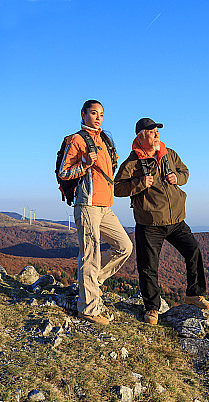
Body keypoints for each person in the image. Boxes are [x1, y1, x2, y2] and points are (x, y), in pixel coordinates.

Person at [114, 117, 209, 325]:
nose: (157, 133)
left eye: (157, 130)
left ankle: (194, 294)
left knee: (193, 251)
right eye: (151, 131)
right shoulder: (132, 162)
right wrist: (139, 183)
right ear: (140, 136)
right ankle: (151, 308)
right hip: (149, 223)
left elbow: (185, 172)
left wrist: (178, 177)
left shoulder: (170, 154)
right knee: (148, 267)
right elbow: (117, 188)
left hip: (176, 219)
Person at [57, 100, 133, 325]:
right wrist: (84, 165)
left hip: (105, 205)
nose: (98, 117)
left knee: (124, 247)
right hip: (87, 204)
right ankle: (88, 308)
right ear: (83, 114)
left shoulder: (105, 140)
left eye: (101, 113)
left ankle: (91, 283)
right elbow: (63, 171)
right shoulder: (77, 140)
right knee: (90, 254)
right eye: (93, 113)